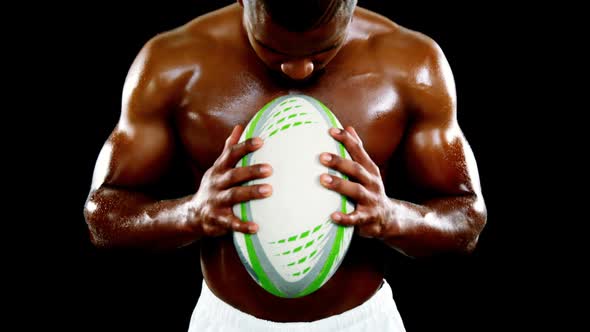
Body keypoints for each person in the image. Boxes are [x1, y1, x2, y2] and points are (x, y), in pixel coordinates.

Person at [83, 0, 487, 331]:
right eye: (272, 49)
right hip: (228, 323)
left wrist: (392, 216)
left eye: (323, 50)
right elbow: (101, 214)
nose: (298, 71)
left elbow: (468, 218)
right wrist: (190, 213)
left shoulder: (412, 65)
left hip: (363, 322)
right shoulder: (174, 63)